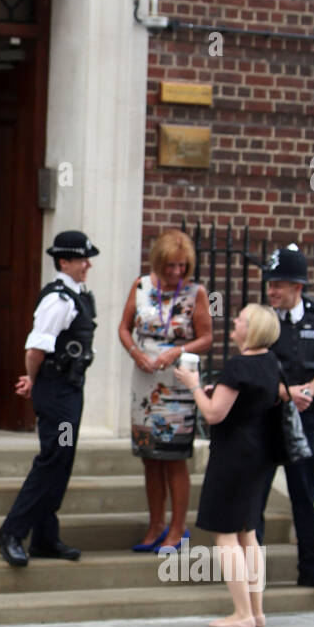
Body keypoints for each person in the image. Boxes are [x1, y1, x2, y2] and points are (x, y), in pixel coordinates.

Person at [0, 230, 98, 567]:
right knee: (54, 457)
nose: (88, 265)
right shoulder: (59, 299)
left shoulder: (76, 295)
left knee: (62, 459)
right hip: (56, 393)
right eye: (82, 259)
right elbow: (37, 347)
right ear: (64, 261)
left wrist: (33, 380)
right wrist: (34, 381)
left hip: (67, 390)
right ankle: (11, 531)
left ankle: (45, 536)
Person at [175, 304, 281, 627]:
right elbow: (245, 404)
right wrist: (213, 393)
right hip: (259, 455)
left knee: (225, 535)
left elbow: (213, 414)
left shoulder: (238, 365)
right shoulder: (270, 363)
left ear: (253, 330)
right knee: (248, 532)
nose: (234, 321)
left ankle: (242, 614)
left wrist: (193, 385)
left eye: (241, 319)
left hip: (233, 457)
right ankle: (257, 611)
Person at [256, 243, 314, 592]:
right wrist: (285, 393)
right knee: (256, 496)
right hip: (265, 419)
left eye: (279, 284)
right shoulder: (261, 319)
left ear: (298, 287)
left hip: (304, 422)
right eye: (270, 283)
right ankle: (252, 574)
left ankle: (311, 567)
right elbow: (251, 366)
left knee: (304, 495)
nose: (272, 290)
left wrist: (308, 391)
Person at [118, 229, 212, 552]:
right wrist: (135, 352)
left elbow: (207, 338)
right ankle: (155, 523)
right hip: (144, 382)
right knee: (149, 457)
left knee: (173, 459)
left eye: (182, 267)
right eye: (170, 266)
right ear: (158, 262)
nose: (176, 273)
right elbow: (124, 327)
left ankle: (178, 528)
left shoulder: (195, 293)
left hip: (176, 386)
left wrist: (178, 350)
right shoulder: (140, 286)